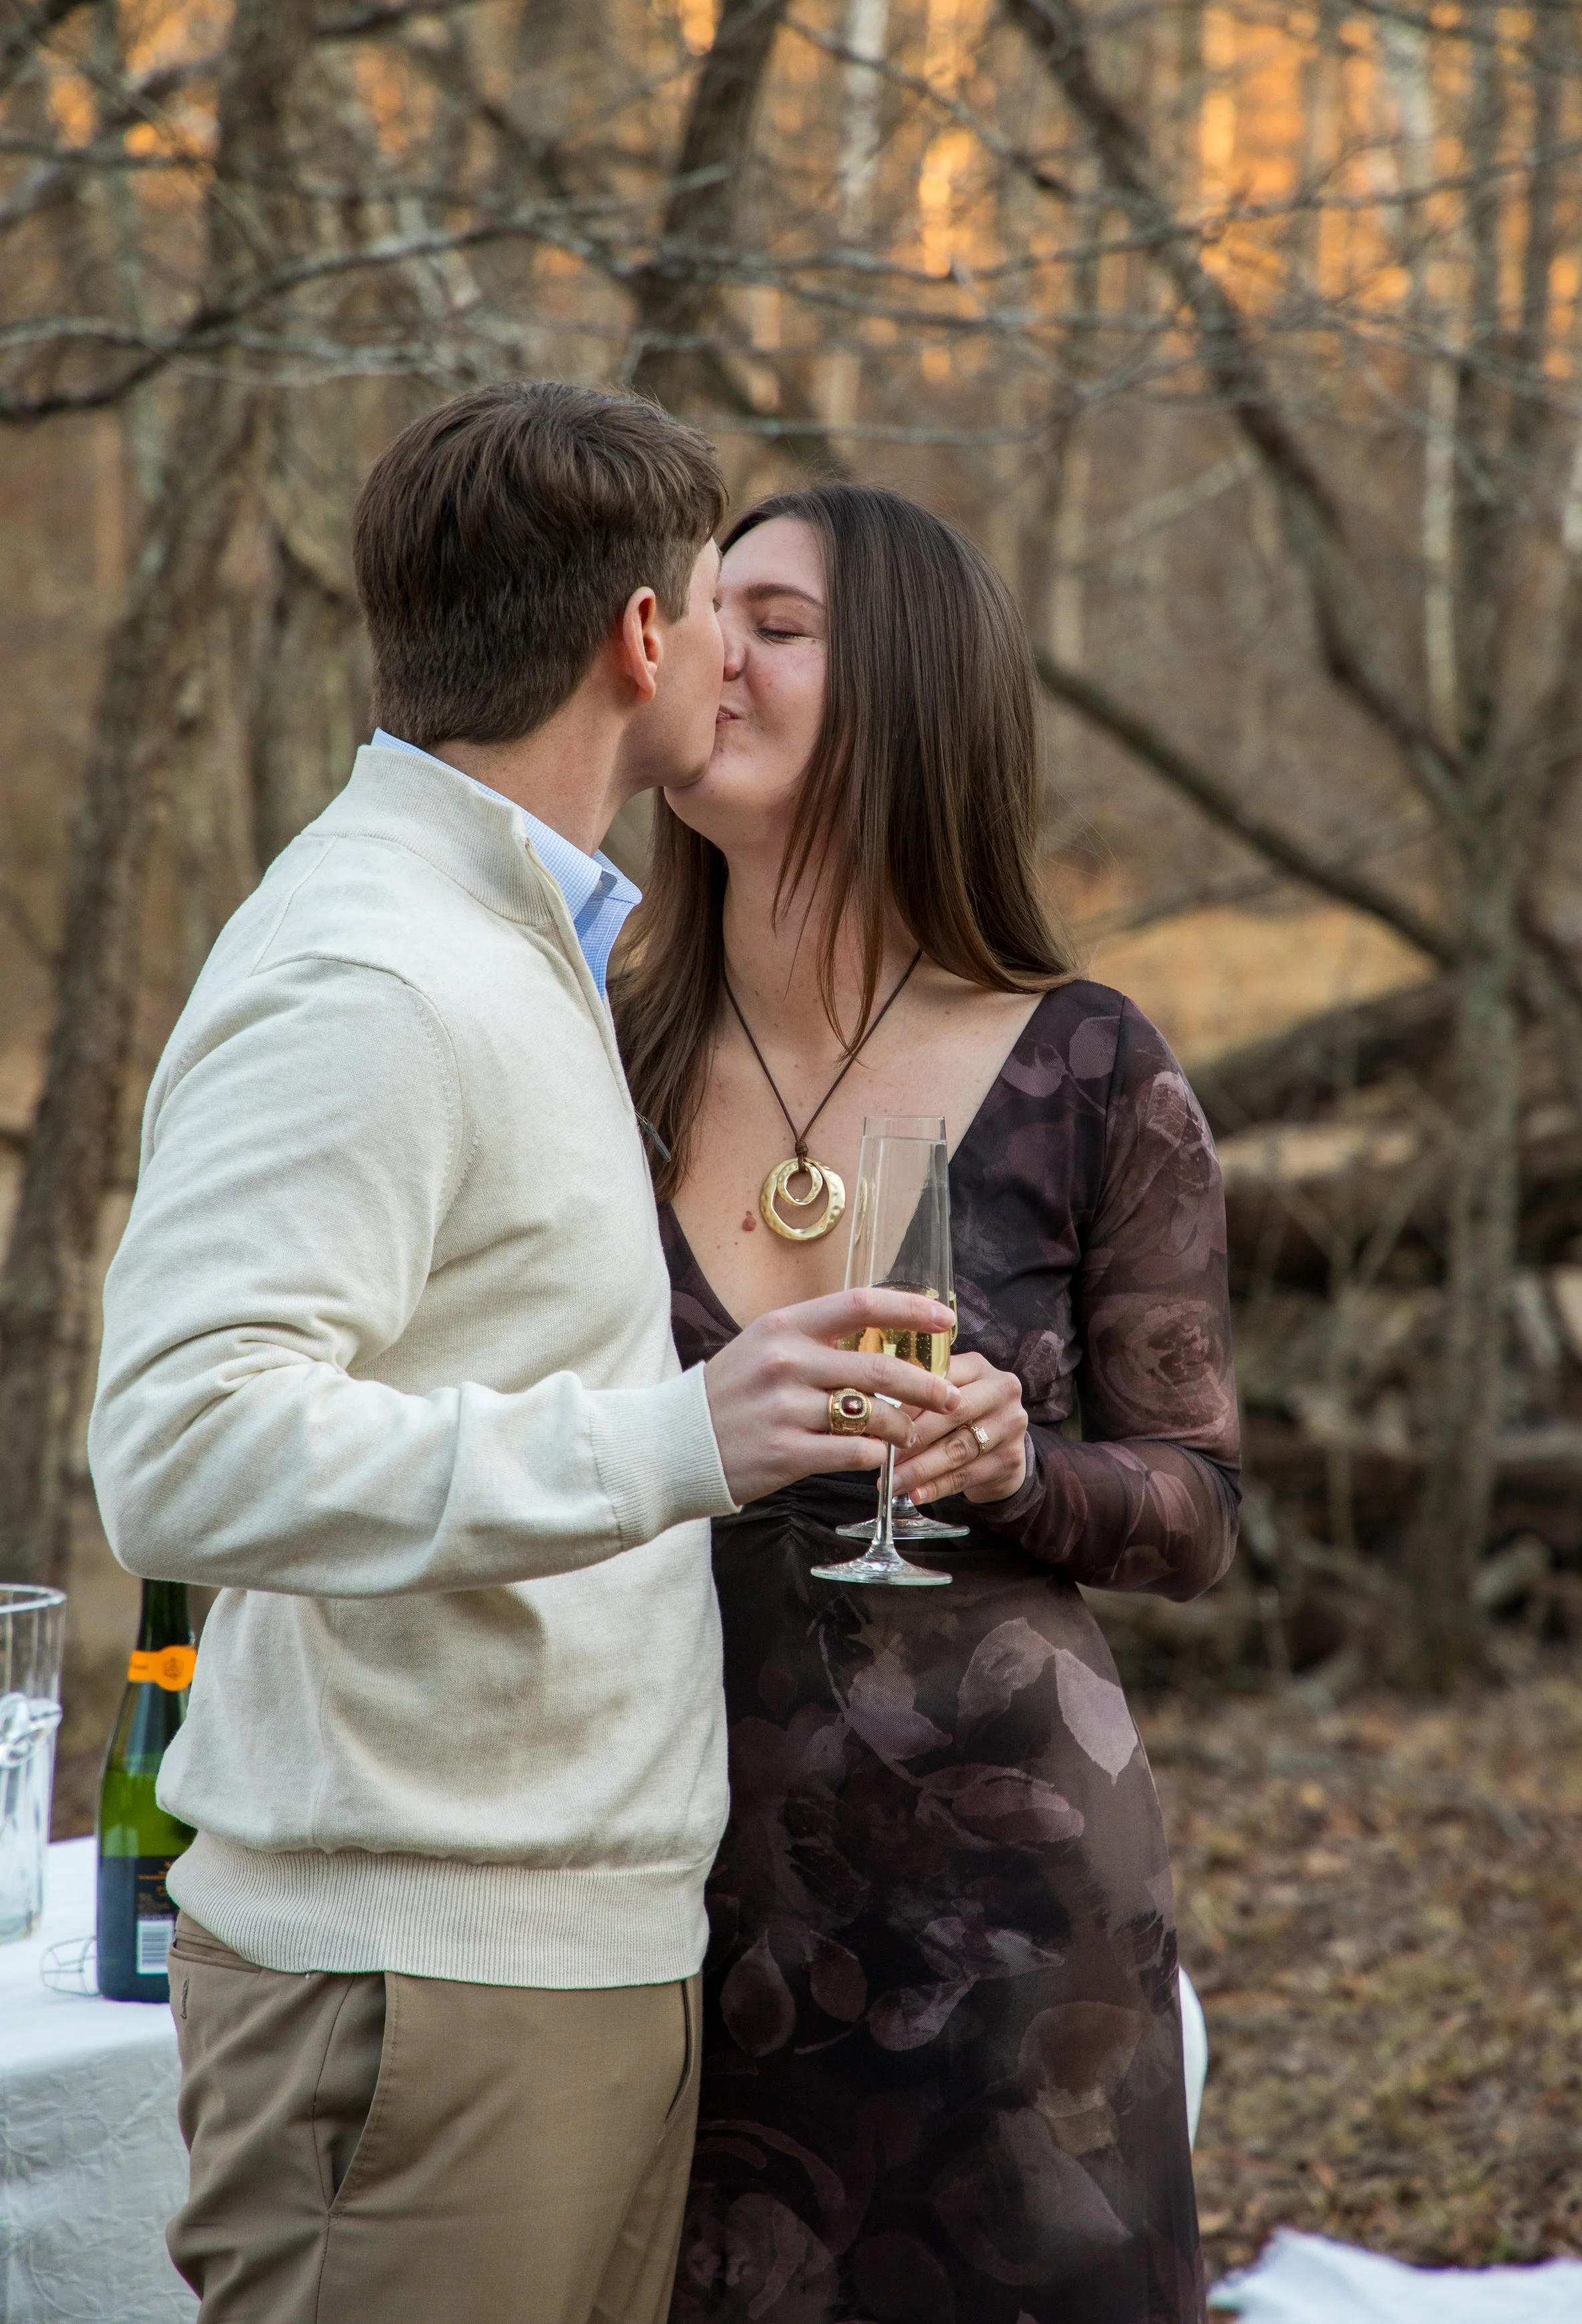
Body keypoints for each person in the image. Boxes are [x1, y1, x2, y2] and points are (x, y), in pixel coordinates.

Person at [89, 388, 955, 2324]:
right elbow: (179, 1444)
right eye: (720, 607)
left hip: (561, 1954)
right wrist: (674, 1437)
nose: (743, 654)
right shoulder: (373, 966)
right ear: (643, 640)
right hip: (418, 1981)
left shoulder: (523, 935)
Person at [612, 482, 1241, 2324]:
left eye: (777, 623)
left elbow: (1198, 1505)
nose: (711, 647)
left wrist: (1021, 1466)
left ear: (909, 692)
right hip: (651, 1890)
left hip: (1010, 1914)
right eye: (705, 609)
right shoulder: (584, 1047)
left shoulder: (1092, 1063)